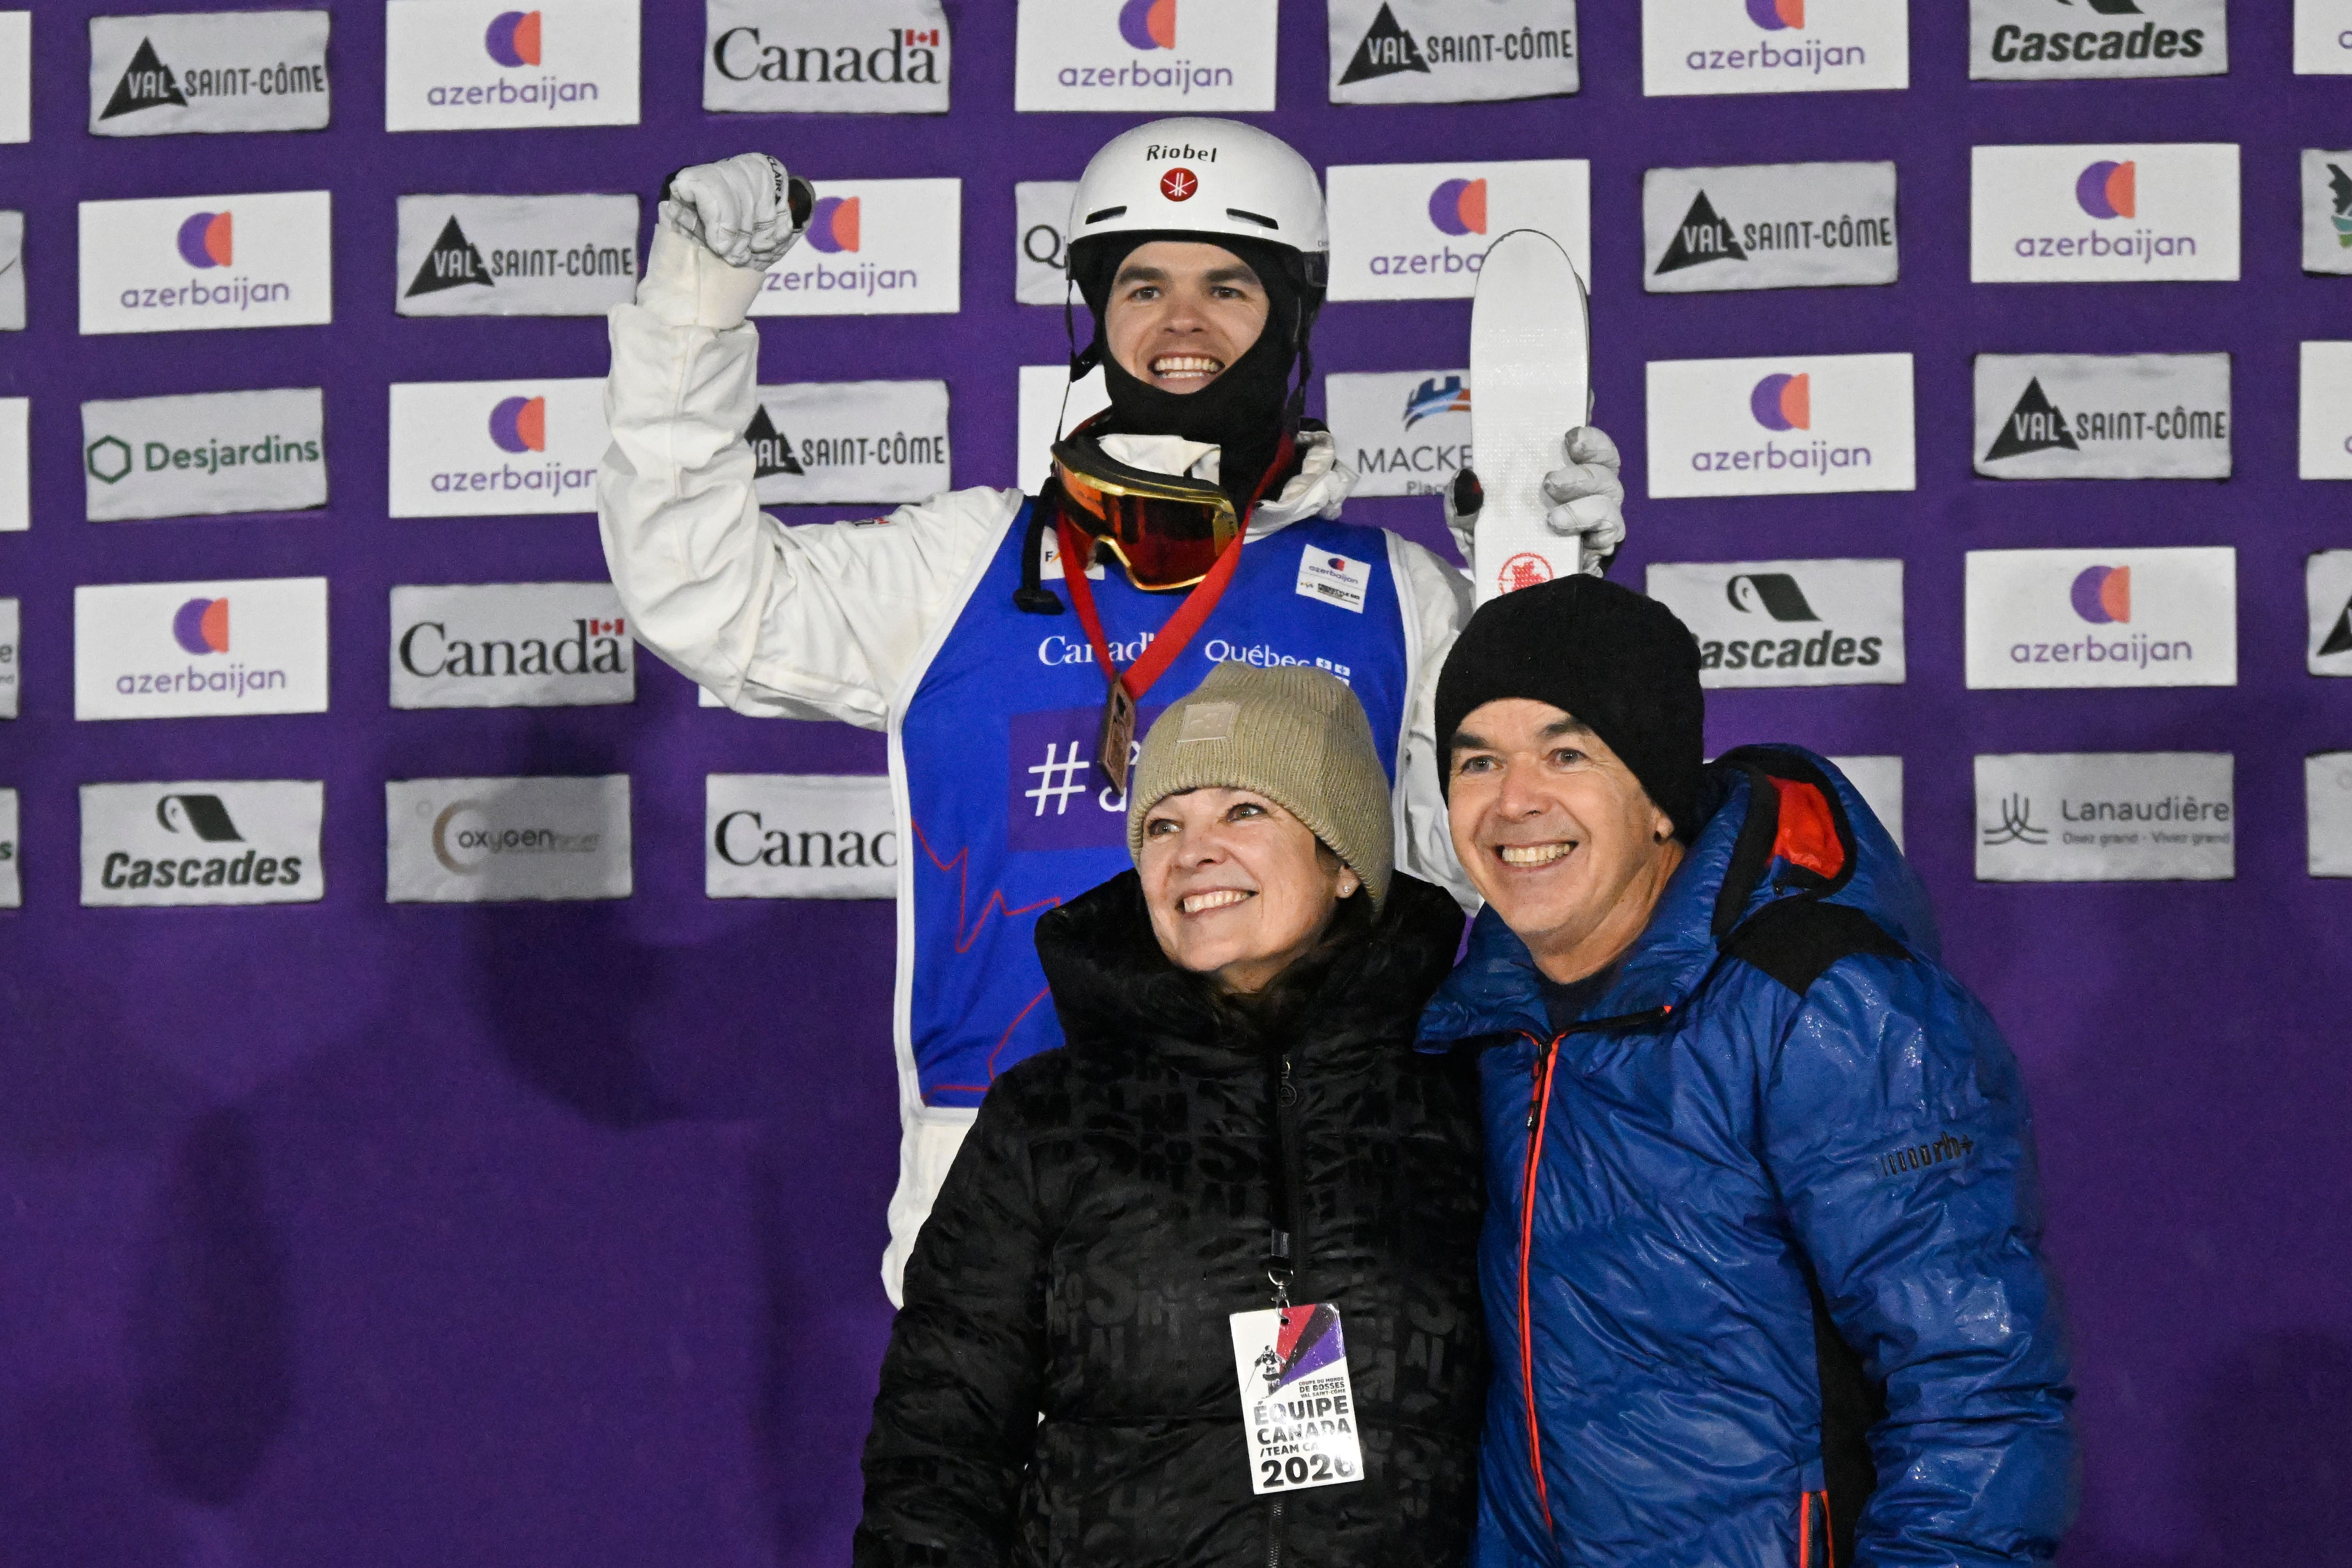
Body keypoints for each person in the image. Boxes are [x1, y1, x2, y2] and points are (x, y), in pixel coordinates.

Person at [597, 118, 1628, 1299]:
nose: (1180, 322)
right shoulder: (966, 563)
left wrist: (1545, 616)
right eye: (1143, 283)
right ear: (1093, 311)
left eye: (1226, 285)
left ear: (1290, 315)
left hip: (1318, 1197)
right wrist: (694, 310)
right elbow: (703, 596)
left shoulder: (1392, 592)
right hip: (1012, 1209)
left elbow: (1502, 864)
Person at [1414, 578, 2079, 1568]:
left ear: (1655, 799)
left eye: (1567, 753)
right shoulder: (1486, 1019)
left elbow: (1977, 1390)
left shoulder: (1826, 1001)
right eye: (1478, 759)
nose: (1515, 800)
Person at [855, 661, 1486, 1566]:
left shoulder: (1462, 1098)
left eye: (1246, 811)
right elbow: (938, 1447)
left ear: (1345, 862)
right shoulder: (1048, 1119)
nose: (1193, 853)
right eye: (1162, 825)